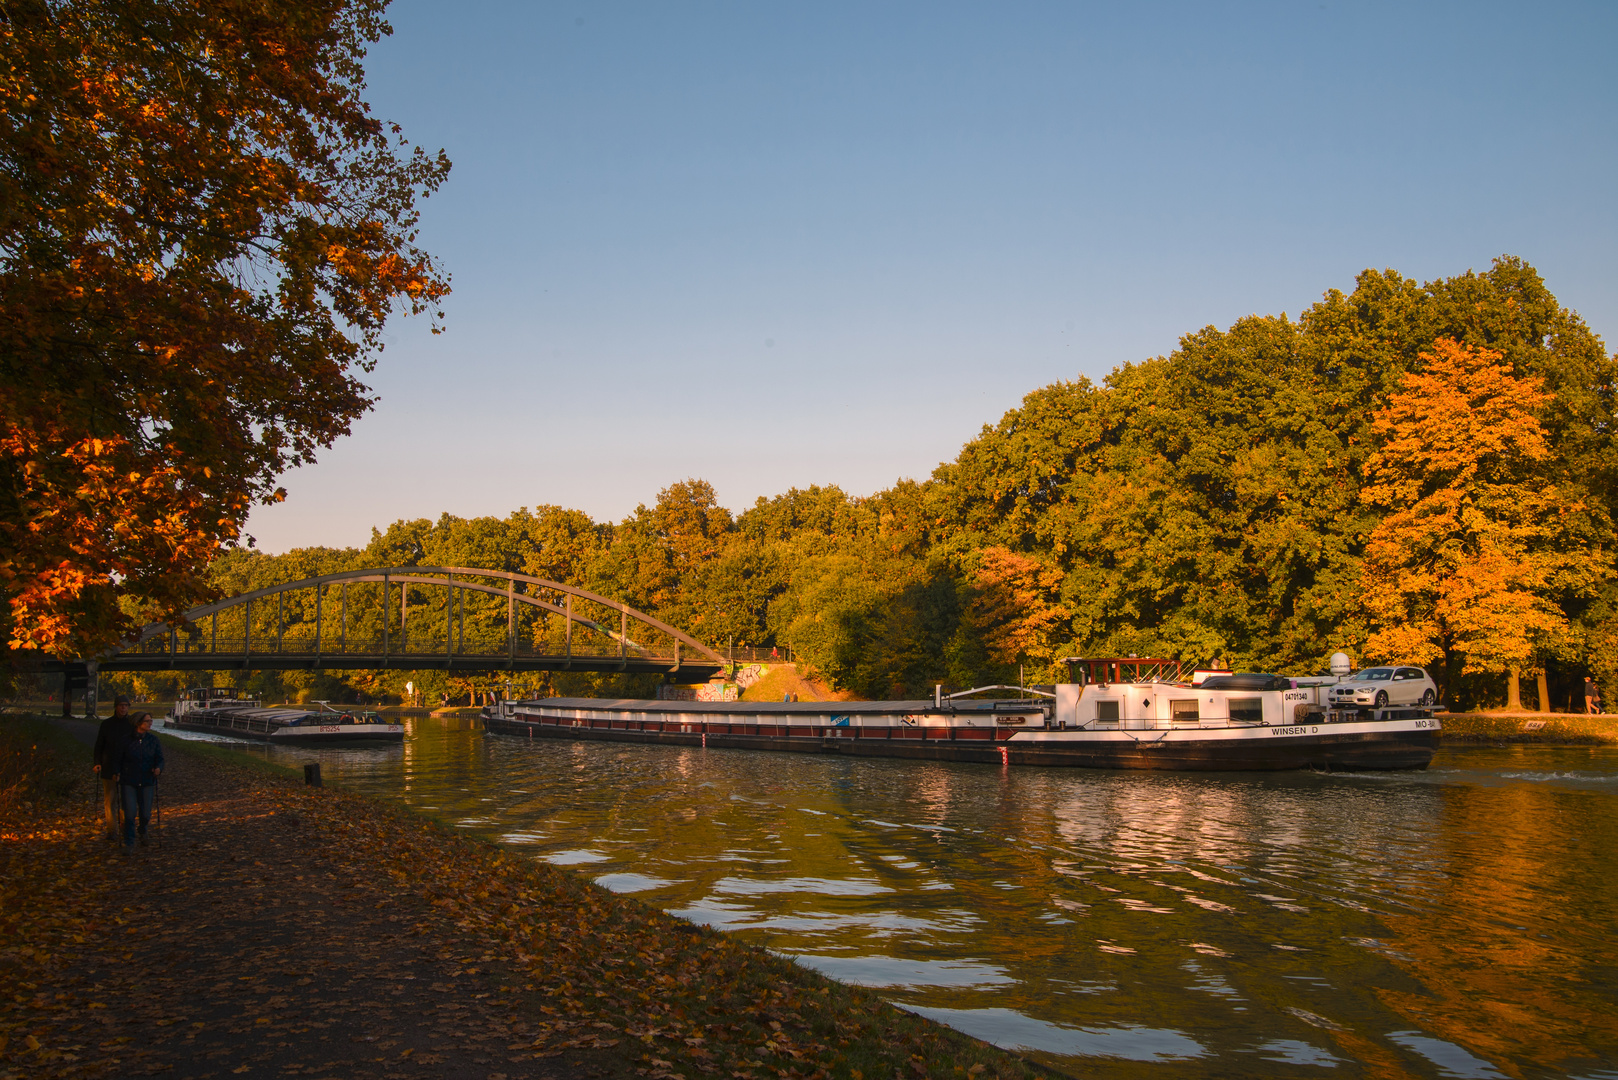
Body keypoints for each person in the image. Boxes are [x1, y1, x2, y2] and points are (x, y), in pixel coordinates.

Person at [115, 712, 164, 854]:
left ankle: (143, 829)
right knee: (130, 813)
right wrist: (116, 772)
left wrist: (159, 768)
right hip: (129, 780)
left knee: (145, 813)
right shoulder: (126, 740)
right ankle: (129, 842)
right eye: (147, 721)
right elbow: (118, 758)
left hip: (147, 780)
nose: (150, 723)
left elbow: (159, 758)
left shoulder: (153, 740)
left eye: (151, 720)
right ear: (138, 723)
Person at [92, 696, 135, 842]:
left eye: (126, 706)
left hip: (127, 768)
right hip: (109, 766)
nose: (123, 708)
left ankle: (125, 828)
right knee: (110, 800)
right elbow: (99, 745)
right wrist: (97, 762)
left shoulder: (132, 725)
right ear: (116, 707)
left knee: (125, 800)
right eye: (121, 706)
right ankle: (112, 830)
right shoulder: (106, 724)